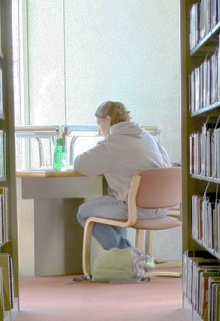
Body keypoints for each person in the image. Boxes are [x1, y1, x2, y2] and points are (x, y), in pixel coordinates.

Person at [73, 100, 172, 253]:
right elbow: (167, 166)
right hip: (163, 206)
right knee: (116, 199)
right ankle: (129, 261)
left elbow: (80, 165)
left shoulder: (112, 144)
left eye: (99, 125)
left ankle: (129, 255)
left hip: (137, 208)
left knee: (83, 212)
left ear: (108, 120)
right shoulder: (148, 138)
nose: (100, 131)